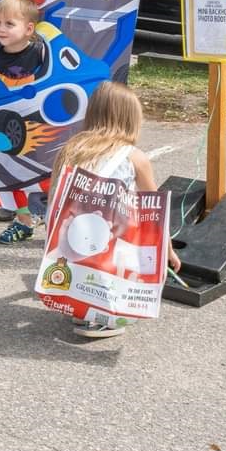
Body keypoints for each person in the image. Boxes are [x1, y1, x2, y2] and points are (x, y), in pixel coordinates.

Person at [48, 81, 182, 337]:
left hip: (69, 236)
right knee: (131, 220)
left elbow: (55, 194)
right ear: (131, 119)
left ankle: (79, 301)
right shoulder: (135, 157)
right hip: (108, 240)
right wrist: (167, 250)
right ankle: (103, 315)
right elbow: (155, 212)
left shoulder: (71, 148)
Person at [0, 0, 49, 245]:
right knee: (6, 166)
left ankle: (43, 213)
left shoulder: (40, 52)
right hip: (8, 121)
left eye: (9, 24)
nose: (1, 29)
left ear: (28, 29)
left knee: (37, 170)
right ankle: (22, 216)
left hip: (35, 122)